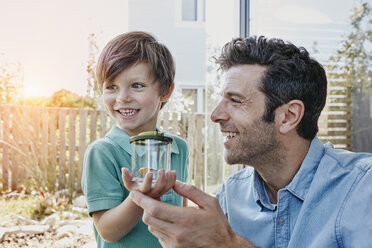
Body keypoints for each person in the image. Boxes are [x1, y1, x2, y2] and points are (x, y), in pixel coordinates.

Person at [128, 36, 372, 248]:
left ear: (288, 116)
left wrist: (228, 245)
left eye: (235, 100)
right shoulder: (231, 196)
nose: (215, 115)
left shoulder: (362, 188)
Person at [81, 31, 189, 248]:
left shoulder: (178, 148)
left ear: (166, 91)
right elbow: (107, 231)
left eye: (137, 85)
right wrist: (138, 197)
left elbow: (181, 213)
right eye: (112, 86)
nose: (122, 98)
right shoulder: (103, 153)